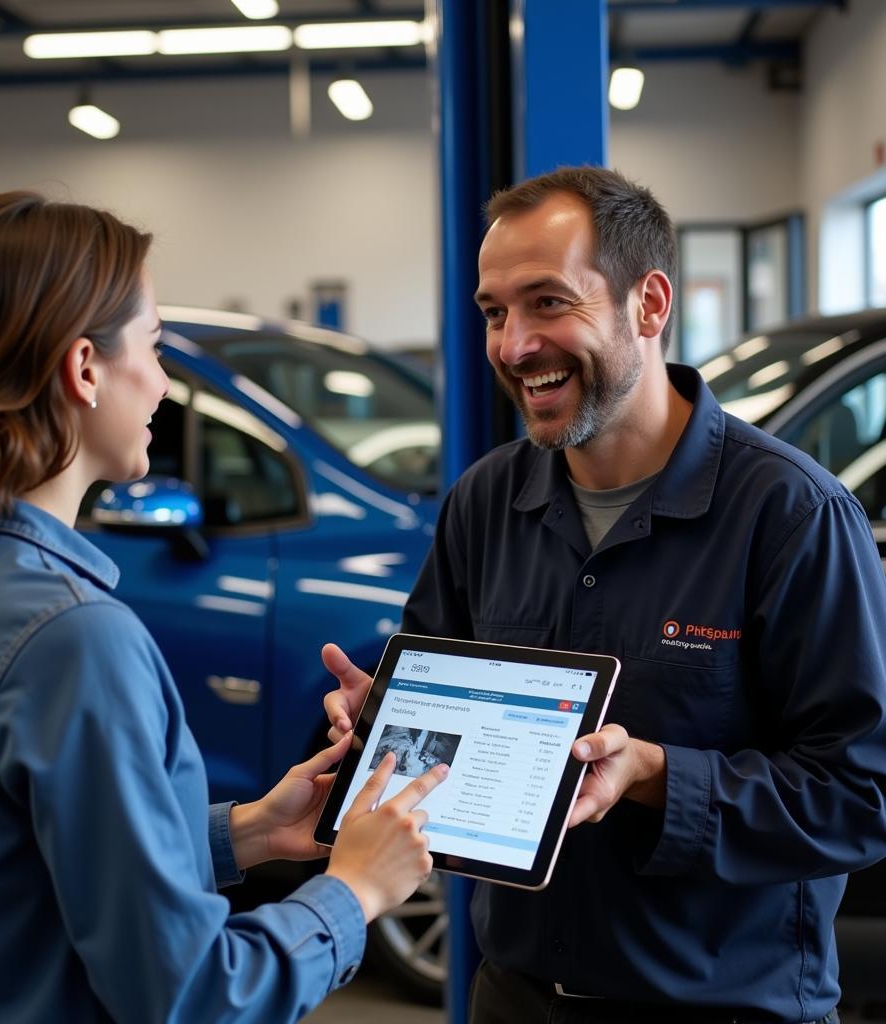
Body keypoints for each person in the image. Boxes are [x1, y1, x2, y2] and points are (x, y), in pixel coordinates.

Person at [0, 190, 447, 1024]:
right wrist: (353, 890)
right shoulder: (73, 639)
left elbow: (12, 883)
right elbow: (189, 995)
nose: (166, 382)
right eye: (156, 345)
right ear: (84, 368)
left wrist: (247, 832)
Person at [322, 165, 886, 1024]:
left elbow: (862, 797)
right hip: (513, 998)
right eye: (495, 312)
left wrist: (657, 776)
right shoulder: (485, 502)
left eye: (549, 302)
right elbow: (451, 740)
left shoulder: (790, 516)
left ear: (650, 304)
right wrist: (390, 730)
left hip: (721, 1009)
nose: (513, 347)